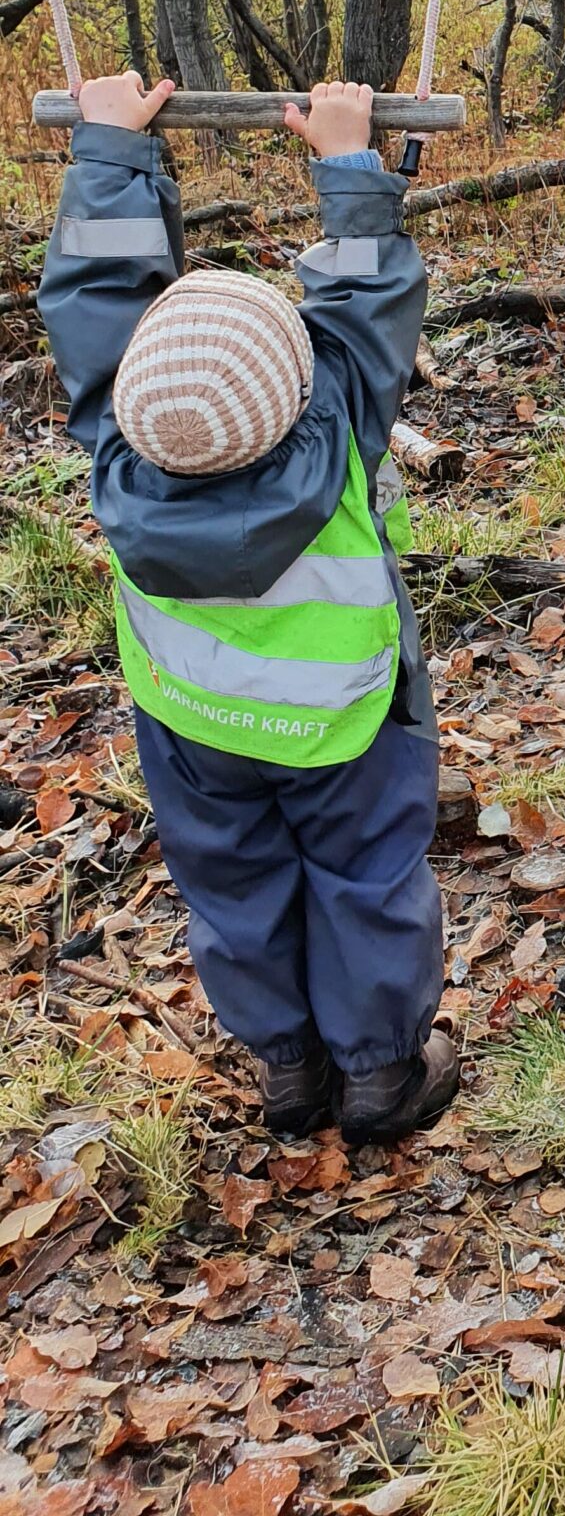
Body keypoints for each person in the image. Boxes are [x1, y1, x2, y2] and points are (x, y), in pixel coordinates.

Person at [38, 72, 460, 1141]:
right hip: (347, 718)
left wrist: (108, 154)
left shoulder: (122, 440)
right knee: (365, 879)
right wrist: (349, 165)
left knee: (234, 886)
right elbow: (363, 301)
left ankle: (288, 1068)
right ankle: (380, 1076)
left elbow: (98, 308)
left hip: (193, 722)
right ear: (302, 385)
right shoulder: (342, 424)